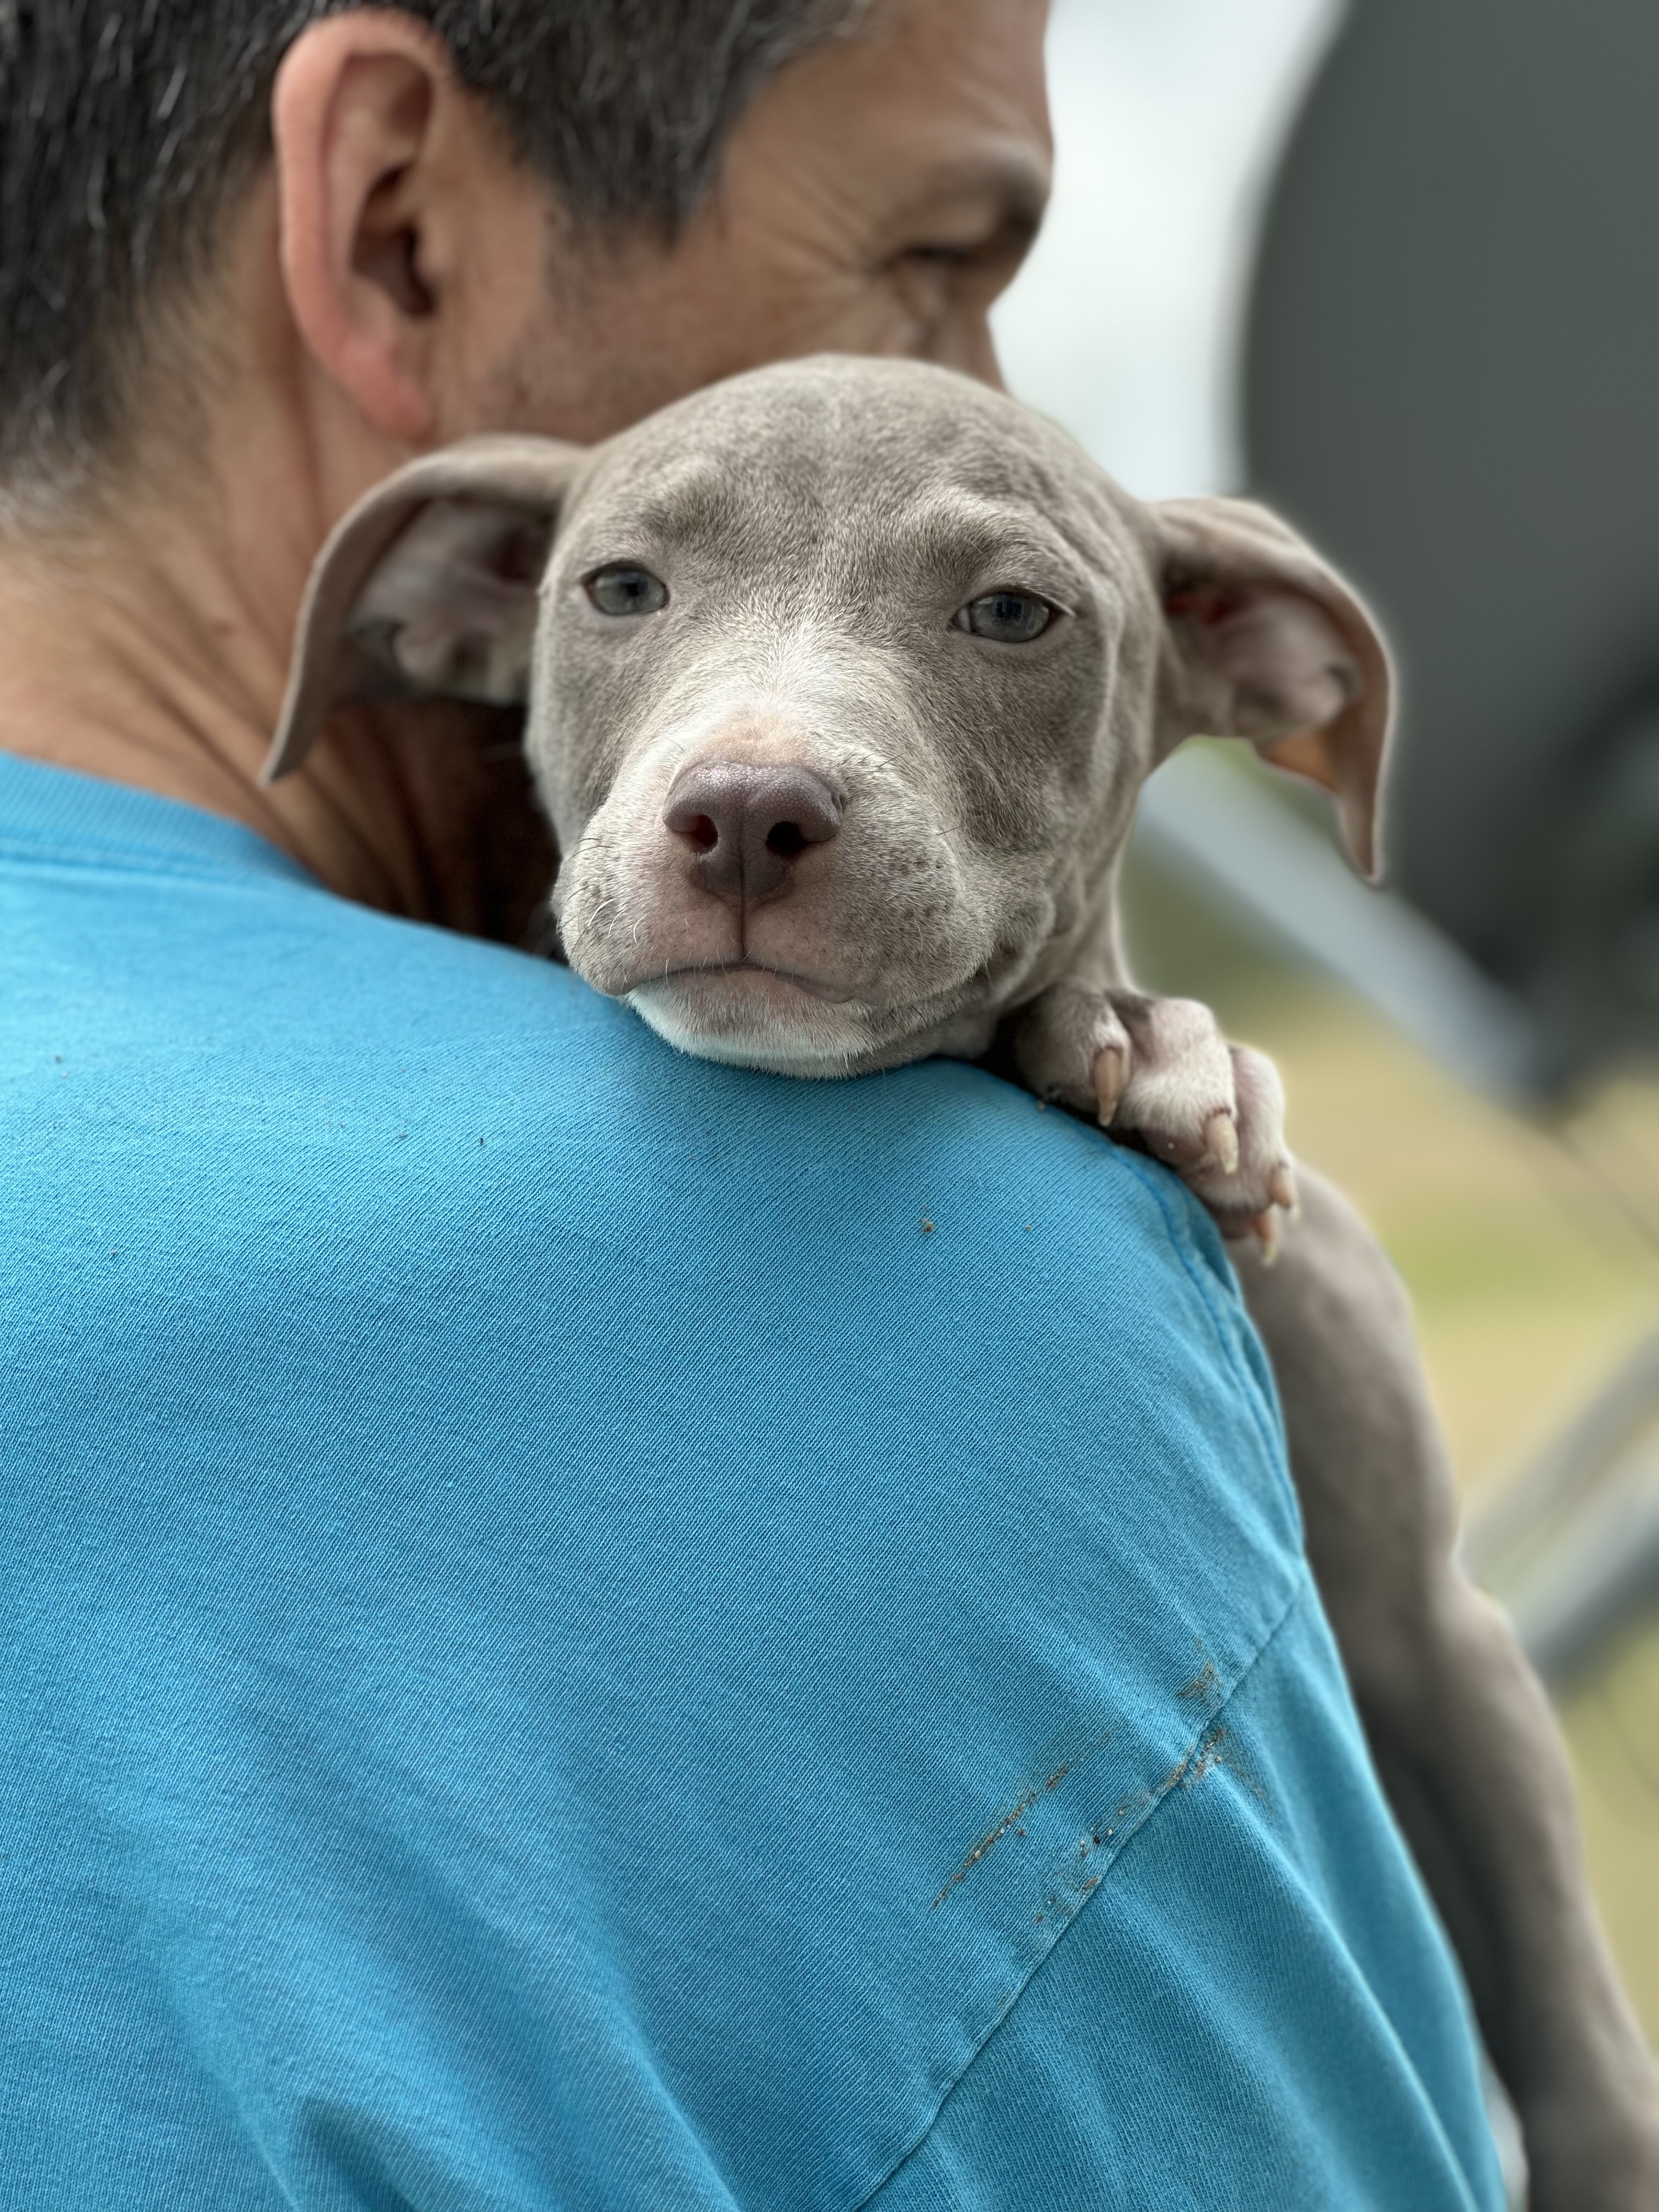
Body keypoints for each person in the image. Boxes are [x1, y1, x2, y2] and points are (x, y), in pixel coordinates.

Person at [0, 5, 1505, 2205]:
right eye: (933, 263)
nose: (976, 396)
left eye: (1006, 597)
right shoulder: (980, 1297)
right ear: (400, 228)